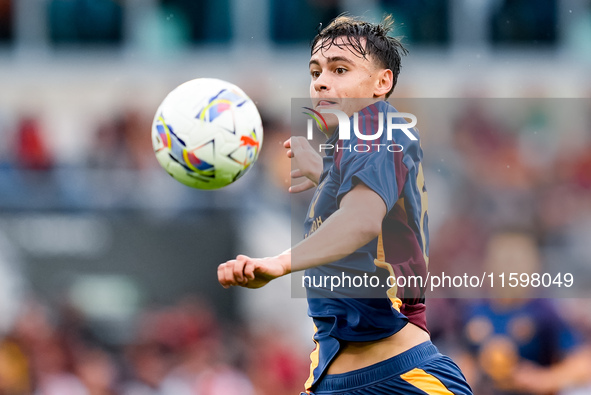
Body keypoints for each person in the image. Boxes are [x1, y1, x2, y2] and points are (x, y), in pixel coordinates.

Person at [218, 15, 472, 394]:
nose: (321, 80)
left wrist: (278, 262)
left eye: (340, 69)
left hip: (401, 381)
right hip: (331, 379)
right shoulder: (354, 145)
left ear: (381, 83)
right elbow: (377, 217)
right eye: (316, 70)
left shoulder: (379, 129)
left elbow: (362, 222)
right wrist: (327, 175)